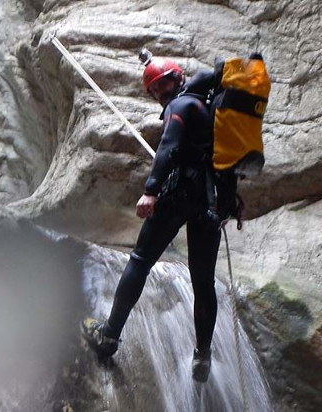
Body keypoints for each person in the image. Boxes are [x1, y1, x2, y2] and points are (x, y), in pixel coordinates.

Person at [82, 52, 224, 383]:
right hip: (211, 204)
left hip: (179, 197)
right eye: (158, 91)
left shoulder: (180, 107)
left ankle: (109, 335)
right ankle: (202, 356)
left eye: (162, 88)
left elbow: (168, 150)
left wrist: (151, 190)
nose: (162, 94)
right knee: (203, 281)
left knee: (141, 259)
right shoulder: (212, 112)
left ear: (176, 82)